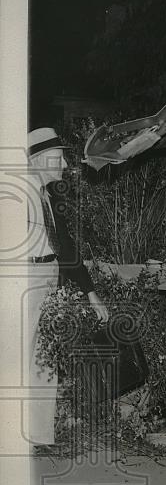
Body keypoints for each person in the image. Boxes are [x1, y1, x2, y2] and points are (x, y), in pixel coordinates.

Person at [23, 128, 109, 451]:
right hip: (24, 277)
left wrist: (90, 292)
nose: (63, 165)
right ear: (40, 159)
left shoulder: (48, 196)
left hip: (49, 275)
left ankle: (37, 437)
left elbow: (67, 248)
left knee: (45, 358)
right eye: (58, 157)